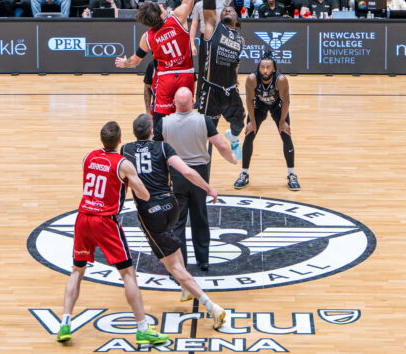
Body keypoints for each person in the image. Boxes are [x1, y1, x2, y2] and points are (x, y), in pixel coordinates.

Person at [55, 120, 171, 347]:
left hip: (83, 217)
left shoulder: (88, 157)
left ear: (102, 139)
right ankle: (142, 329)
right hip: (105, 221)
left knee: (77, 270)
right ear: (120, 140)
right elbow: (145, 196)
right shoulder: (123, 164)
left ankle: (64, 324)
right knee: (128, 274)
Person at [121, 114, 228, 324]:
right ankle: (184, 288)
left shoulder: (125, 150)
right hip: (171, 206)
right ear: (152, 131)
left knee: (172, 265)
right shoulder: (163, 147)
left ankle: (212, 307)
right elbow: (187, 171)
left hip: (151, 212)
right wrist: (208, 188)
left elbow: (120, 179)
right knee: (172, 243)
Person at [114, 0, 207, 136]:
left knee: (159, 125)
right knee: (186, 118)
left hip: (165, 79)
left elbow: (135, 61)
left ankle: (159, 150)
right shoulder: (177, 19)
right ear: (160, 14)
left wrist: (124, 63)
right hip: (186, 75)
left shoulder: (147, 37)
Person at [157, 87, 237, 273]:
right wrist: (232, 159)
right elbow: (220, 145)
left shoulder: (164, 123)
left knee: (177, 222)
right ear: (193, 101)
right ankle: (203, 261)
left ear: (174, 104)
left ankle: (180, 265)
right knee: (200, 217)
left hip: (176, 174)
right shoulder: (204, 120)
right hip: (199, 174)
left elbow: (156, 152)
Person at [195, 0, 246, 155]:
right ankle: (200, 166)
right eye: (225, 10)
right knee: (205, 133)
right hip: (211, 89)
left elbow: (236, 62)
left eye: (231, 11)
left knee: (239, 122)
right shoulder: (212, 28)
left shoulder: (239, 39)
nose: (227, 11)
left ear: (236, 19)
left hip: (230, 89)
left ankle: (233, 139)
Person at [235, 52, 298, 191]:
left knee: (286, 135)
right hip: (259, 106)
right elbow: (249, 101)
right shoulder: (252, 79)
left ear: (274, 69)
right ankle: (244, 174)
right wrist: (252, 121)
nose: (265, 70)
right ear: (258, 68)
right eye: (262, 67)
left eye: (268, 67)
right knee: (249, 134)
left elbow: (286, 101)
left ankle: (292, 174)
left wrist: (282, 121)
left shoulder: (281, 80)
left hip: (277, 106)